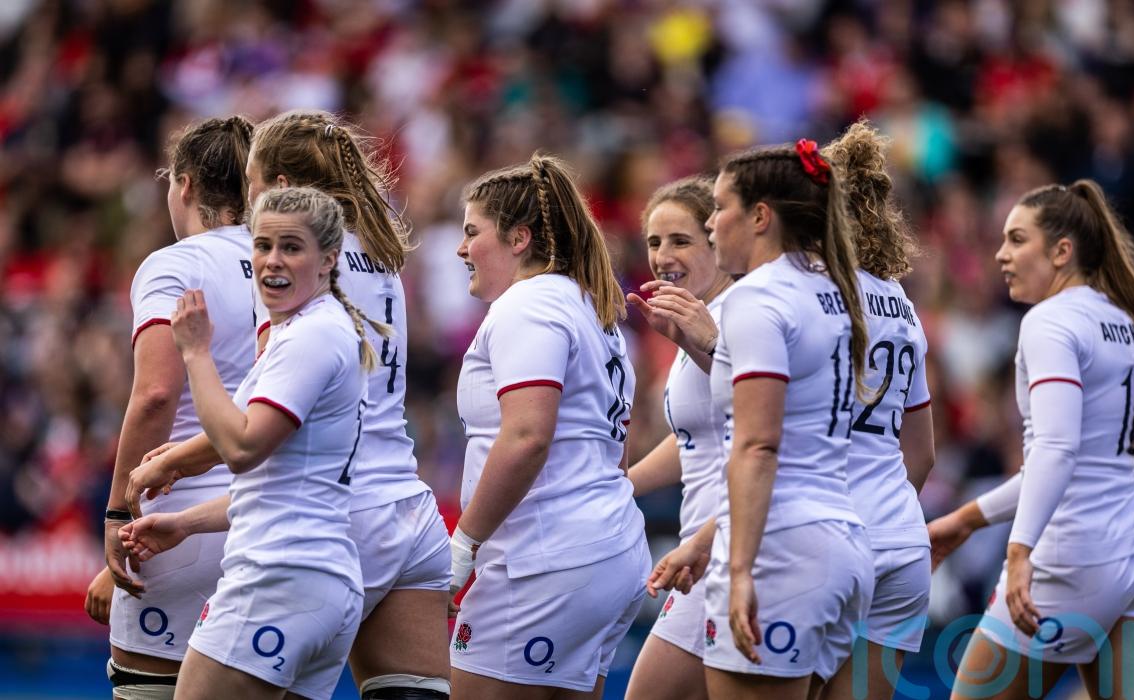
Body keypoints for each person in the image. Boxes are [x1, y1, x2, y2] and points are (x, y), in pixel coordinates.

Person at [126, 108, 453, 700]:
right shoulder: (380, 255)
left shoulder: (292, 273)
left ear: (280, 188)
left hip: (330, 523)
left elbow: (258, 428)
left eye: (251, 186)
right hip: (408, 509)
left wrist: (174, 461)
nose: (247, 205)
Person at [926, 181, 1134, 699]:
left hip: (1071, 557)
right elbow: (1062, 466)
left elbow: (1056, 452)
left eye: (1017, 240)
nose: (1001, 254)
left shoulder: (1049, 321)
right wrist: (964, 521)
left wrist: (1020, 553)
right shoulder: (1121, 320)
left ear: (1062, 252)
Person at [125, 187, 370, 699]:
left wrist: (196, 353)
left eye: (291, 247)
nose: (272, 260)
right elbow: (278, 484)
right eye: (263, 245)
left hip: (277, 578)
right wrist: (186, 523)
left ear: (329, 259)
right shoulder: (312, 329)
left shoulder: (310, 336)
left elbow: (240, 449)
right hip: (320, 583)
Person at [450, 152, 650, 699]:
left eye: (472, 232)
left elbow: (527, 436)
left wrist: (463, 544)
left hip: (546, 562)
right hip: (603, 549)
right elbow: (613, 448)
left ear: (519, 238)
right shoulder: (590, 308)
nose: (462, 249)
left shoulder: (529, 305)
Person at [85, 116, 256, 699]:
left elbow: (156, 393)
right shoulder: (290, 263)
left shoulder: (176, 264)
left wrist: (116, 517)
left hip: (175, 523)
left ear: (184, 185)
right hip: (269, 517)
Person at [702, 138, 875, 700]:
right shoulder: (832, 289)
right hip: (841, 539)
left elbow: (758, 444)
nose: (710, 223)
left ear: (760, 216)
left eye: (719, 206)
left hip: (780, 549)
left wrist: (741, 571)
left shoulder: (758, 297)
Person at [819, 122, 936, 699]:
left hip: (828, 536)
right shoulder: (903, 305)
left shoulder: (813, 292)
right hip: (902, 540)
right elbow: (924, 453)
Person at [623, 175, 734, 700]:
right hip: (709, 548)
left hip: (727, 550)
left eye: (681, 240)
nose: (663, 256)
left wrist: (706, 540)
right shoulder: (694, 318)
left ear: (719, 240)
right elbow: (693, 437)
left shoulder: (738, 314)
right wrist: (623, 485)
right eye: (654, 241)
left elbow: (771, 427)